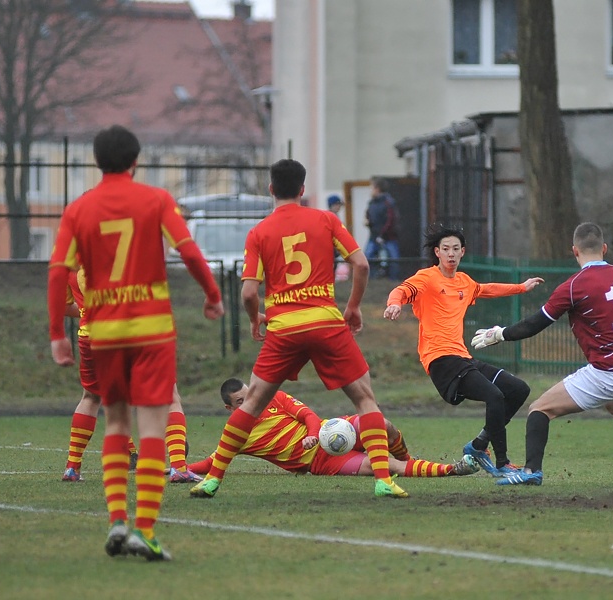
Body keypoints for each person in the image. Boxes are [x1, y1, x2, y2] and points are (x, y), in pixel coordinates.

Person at [48, 124, 224, 561]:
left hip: (103, 332)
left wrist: (57, 334)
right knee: (151, 426)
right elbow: (187, 251)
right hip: (151, 330)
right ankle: (144, 529)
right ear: (136, 160)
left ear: (96, 161)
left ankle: (117, 522)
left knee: (115, 424)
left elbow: (57, 273)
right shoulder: (156, 200)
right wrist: (213, 295)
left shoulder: (78, 209)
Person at [190, 158, 408, 500]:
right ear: (303, 190)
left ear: (271, 189)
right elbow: (361, 264)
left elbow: (248, 292)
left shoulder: (259, 232)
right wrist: (351, 307)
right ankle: (383, 479)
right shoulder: (325, 219)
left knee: (251, 405)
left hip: (284, 329)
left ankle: (213, 479)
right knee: (366, 400)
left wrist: (254, 318)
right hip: (325, 321)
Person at [470, 222, 613, 487]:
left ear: (574, 251)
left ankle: (532, 470)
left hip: (610, 372)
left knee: (539, 409)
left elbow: (534, 325)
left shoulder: (573, 286)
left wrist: (500, 334)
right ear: (604, 248)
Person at [383, 224, 544, 477]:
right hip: (440, 360)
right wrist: (394, 304)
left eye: (455, 249)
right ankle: (501, 464)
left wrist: (521, 287)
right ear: (437, 252)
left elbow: (486, 289)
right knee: (495, 396)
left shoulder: (464, 282)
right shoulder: (426, 278)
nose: (450, 253)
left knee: (518, 389)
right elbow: (402, 290)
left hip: (462, 358)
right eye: (445, 249)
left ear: (462, 252)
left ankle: (479, 445)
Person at [61, 268, 202, 484]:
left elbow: (64, 306)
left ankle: (72, 468)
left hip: (92, 336)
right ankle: (179, 468)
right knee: (169, 396)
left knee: (91, 397)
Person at [187, 378, 479, 478]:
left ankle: (408, 459)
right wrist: (179, 469)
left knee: (382, 423)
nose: (251, 401)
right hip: (323, 462)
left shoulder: (274, 396)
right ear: (230, 409)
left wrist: (314, 436)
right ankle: (451, 470)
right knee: (383, 466)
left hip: (331, 431)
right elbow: (214, 462)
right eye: (241, 401)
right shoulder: (236, 434)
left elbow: (309, 417)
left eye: (250, 394)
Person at [363, 177, 400, 280]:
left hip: (388, 236)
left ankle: (393, 280)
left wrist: (383, 233)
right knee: (368, 258)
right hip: (374, 236)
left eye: (372, 188)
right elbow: (368, 214)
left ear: (377, 189)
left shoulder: (388, 203)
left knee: (393, 259)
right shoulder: (372, 203)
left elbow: (390, 219)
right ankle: (371, 279)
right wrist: (368, 221)